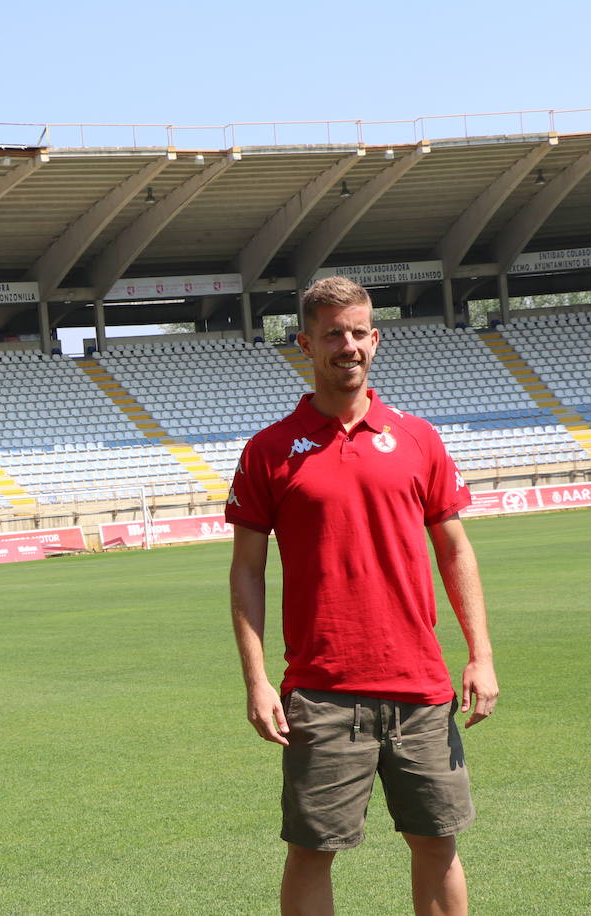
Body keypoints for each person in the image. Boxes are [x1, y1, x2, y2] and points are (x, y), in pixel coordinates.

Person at [227, 276, 498, 916]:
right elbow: (245, 571)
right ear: (306, 344)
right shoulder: (268, 450)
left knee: (436, 843)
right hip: (320, 689)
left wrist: (480, 655)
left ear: (374, 339)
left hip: (420, 686)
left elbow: (455, 550)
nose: (347, 346)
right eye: (331, 335)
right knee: (312, 850)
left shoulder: (418, 438)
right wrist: (257, 680)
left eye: (357, 333)